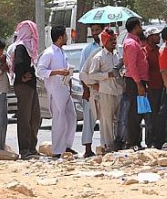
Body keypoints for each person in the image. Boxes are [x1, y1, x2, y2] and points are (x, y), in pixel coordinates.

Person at [37, 26, 77, 159]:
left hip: (65, 89)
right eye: (65, 35)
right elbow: (40, 71)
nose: (67, 37)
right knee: (59, 120)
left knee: (71, 116)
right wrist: (58, 72)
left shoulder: (62, 52)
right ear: (60, 37)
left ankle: (67, 145)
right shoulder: (49, 53)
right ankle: (58, 149)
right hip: (55, 91)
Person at [87, 28, 124, 153]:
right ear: (105, 41)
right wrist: (107, 75)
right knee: (106, 121)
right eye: (111, 40)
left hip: (119, 91)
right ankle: (108, 145)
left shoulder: (117, 54)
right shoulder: (98, 57)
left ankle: (118, 143)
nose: (114, 42)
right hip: (106, 92)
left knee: (119, 120)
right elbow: (92, 75)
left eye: (115, 39)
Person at [11, 21, 41, 159]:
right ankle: (24, 149)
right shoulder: (21, 47)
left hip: (31, 86)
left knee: (35, 117)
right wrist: (22, 76)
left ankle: (32, 147)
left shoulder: (30, 48)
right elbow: (18, 64)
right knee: (24, 118)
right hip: (23, 86)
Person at [122, 17, 149, 150]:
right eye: (140, 25)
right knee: (134, 112)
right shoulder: (131, 44)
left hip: (138, 80)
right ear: (136, 27)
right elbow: (132, 66)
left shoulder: (135, 42)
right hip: (134, 81)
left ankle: (136, 141)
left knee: (140, 111)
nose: (142, 28)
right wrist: (138, 84)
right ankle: (131, 142)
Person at [78, 23, 104, 158]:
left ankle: (105, 146)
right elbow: (83, 71)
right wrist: (85, 90)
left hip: (106, 90)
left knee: (107, 119)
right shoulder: (88, 50)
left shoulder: (109, 48)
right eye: (93, 30)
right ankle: (88, 148)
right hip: (91, 89)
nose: (95, 33)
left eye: (97, 30)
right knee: (89, 119)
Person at [144, 27, 167, 149]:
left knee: (161, 115)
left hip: (162, 86)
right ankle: (150, 141)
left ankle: (160, 140)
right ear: (149, 37)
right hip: (151, 87)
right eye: (156, 35)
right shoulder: (145, 52)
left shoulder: (160, 51)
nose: (158, 37)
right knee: (151, 116)